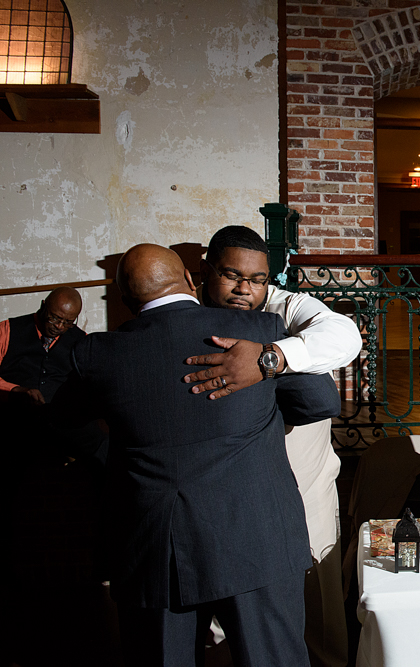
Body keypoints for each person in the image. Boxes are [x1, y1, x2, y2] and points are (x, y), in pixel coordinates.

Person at [50, 244, 340, 666]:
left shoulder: (97, 353)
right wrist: (262, 400)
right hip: (256, 534)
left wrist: (121, 459)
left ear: (128, 301)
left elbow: (63, 423)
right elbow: (320, 402)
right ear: (190, 278)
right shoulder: (258, 328)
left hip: (153, 546)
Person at [181, 225, 361, 667]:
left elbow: (345, 336)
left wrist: (270, 359)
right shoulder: (188, 316)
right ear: (205, 272)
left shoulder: (288, 306)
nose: (245, 289)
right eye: (231, 276)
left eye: (257, 279)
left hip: (305, 484)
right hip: (230, 496)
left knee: (317, 609)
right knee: (234, 621)